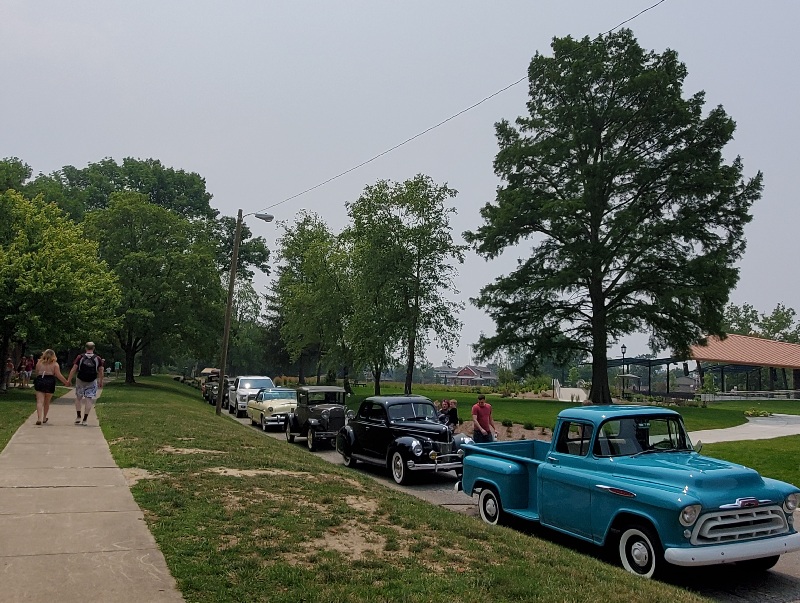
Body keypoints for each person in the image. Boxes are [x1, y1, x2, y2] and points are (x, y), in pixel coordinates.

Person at [67, 342, 104, 425]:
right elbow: (101, 370)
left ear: (85, 348)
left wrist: (68, 380)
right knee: (89, 399)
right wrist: (101, 381)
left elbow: (74, 369)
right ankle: (85, 419)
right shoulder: (97, 358)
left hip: (80, 379)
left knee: (79, 397)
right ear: (94, 348)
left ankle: (78, 416)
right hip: (92, 380)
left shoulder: (80, 357)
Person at [33, 349, 69, 425]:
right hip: (50, 380)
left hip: (40, 379)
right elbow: (58, 375)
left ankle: (39, 418)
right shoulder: (55, 364)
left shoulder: (39, 362)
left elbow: (36, 372)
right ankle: (44, 417)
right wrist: (66, 382)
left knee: (39, 401)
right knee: (47, 402)